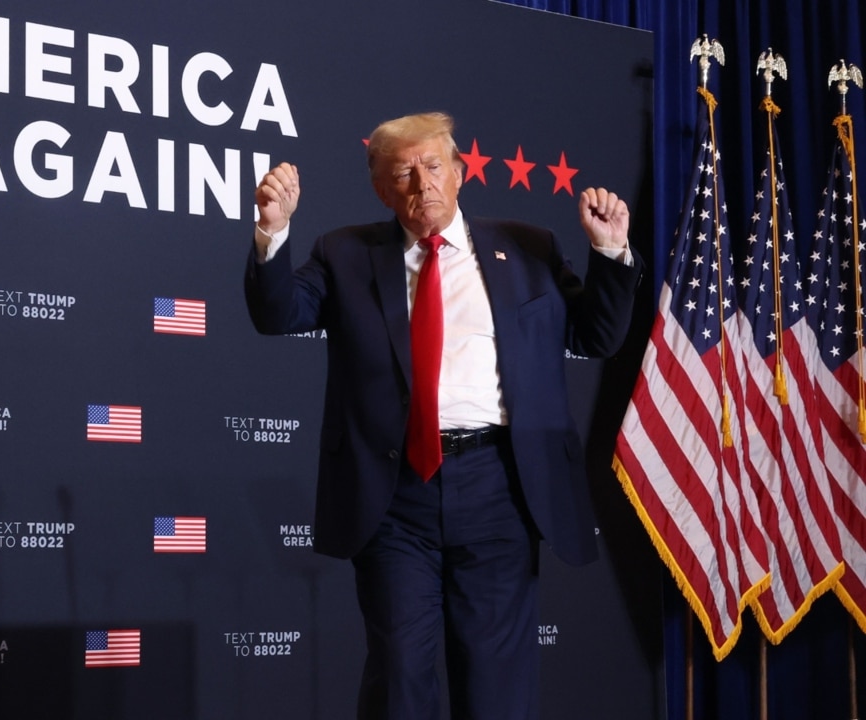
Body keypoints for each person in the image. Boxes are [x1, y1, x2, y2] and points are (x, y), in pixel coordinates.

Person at [243, 112, 642, 720]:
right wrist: (274, 232)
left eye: (432, 166)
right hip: (393, 493)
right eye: (402, 173)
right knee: (400, 671)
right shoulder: (343, 253)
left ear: (459, 174)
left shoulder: (529, 247)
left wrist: (610, 251)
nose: (420, 183)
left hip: (500, 489)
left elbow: (598, 336)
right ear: (381, 189)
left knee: (496, 681)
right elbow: (277, 314)